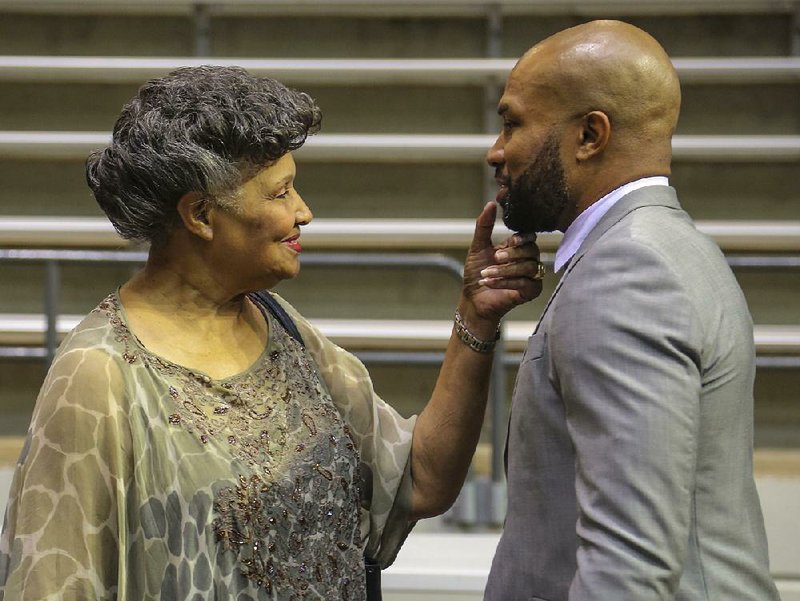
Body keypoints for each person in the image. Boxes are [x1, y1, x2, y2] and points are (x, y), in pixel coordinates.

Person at [0, 66, 544, 600]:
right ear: (200, 215)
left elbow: (420, 479)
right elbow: (48, 584)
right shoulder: (96, 375)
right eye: (280, 193)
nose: (304, 212)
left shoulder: (280, 326)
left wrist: (476, 318)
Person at [484, 20, 780, 601]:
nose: (497, 150)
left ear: (590, 136)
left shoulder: (628, 272)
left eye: (512, 122)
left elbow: (630, 564)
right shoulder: (666, 247)